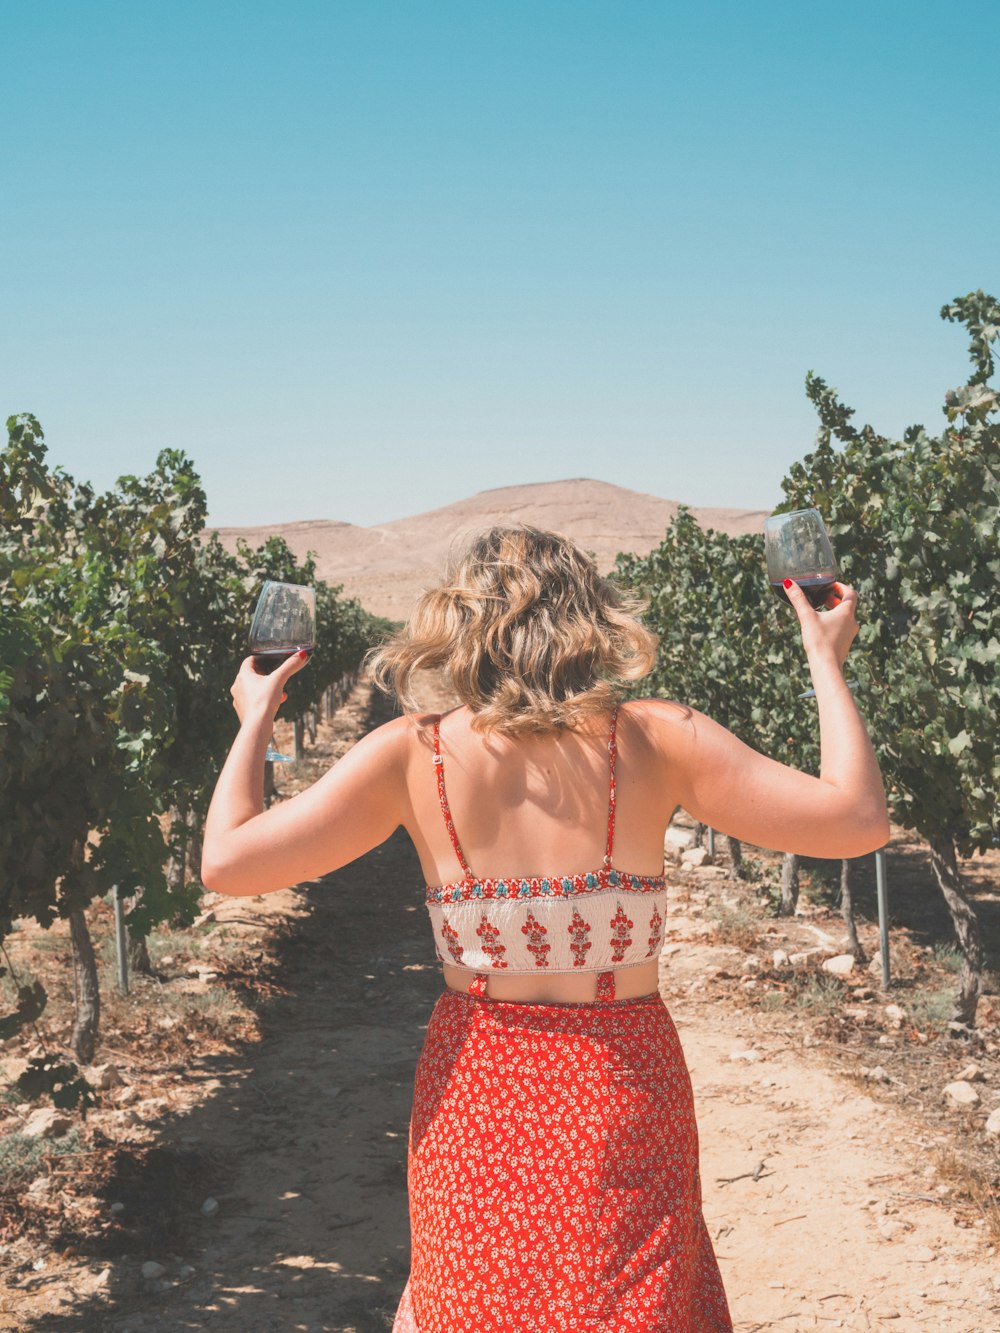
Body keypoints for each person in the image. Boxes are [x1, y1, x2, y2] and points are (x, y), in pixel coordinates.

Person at [202, 525, 889, 1333]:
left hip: (477, 1097)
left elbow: (228, 861)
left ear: (459, 622)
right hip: (623, 1091)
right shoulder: (658, 737)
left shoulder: (408, 755)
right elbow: (859, 818)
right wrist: (825, 659)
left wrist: (257, 713)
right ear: (589, 617)